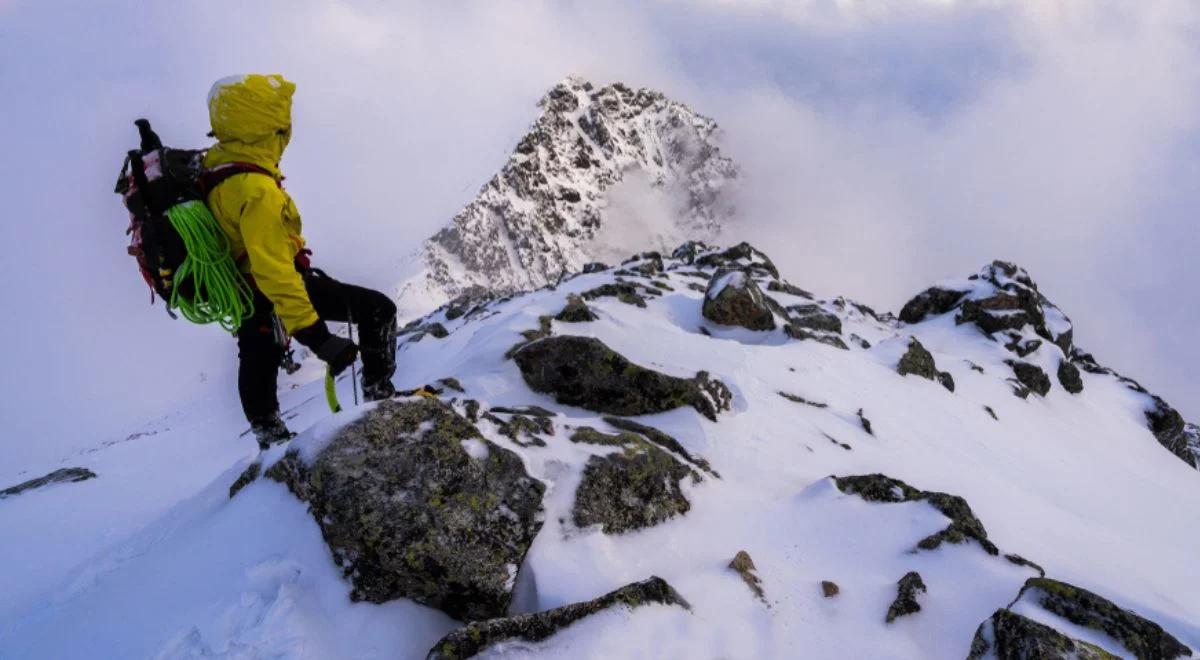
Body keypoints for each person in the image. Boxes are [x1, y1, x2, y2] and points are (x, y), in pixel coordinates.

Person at [203, 74, 399, 449]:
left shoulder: (219, 165)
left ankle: (270, 437)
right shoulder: (257, 191)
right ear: (265, 127)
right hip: (266, 283)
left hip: (239, 286)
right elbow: (275, 272)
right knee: (377, 310)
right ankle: (379, 395)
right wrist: (319, 338)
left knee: (258, 348)